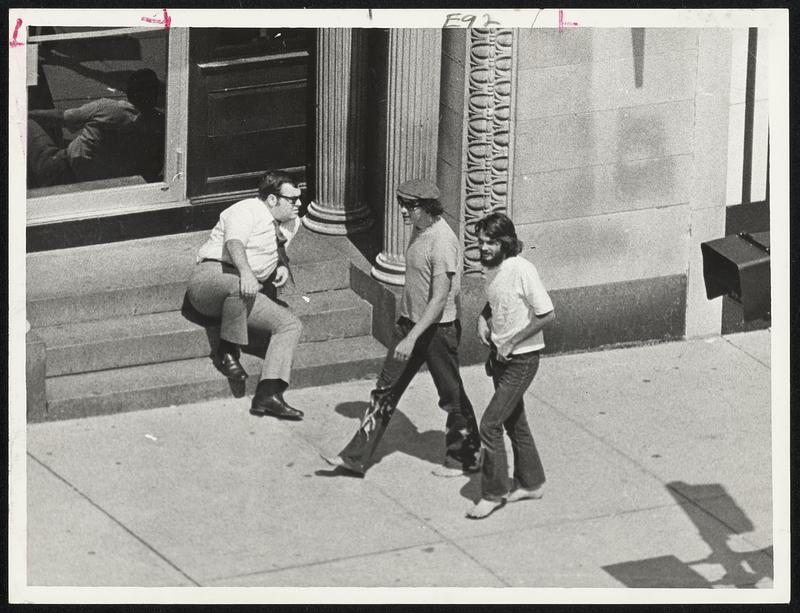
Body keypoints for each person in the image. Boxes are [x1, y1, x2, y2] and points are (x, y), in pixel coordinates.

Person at [323, 178, 480, 476]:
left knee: (451, 395)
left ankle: (466, 458)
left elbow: (439, 299)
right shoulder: (419, 229)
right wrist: (406, 328)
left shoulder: (443, 241)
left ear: (427, 207)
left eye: (409, 206)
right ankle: (355, 458)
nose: (403, 212)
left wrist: (412, 338)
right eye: (402, 205)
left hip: (437, 332)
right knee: (384, 392)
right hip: (409, 324)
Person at [185, 170, 304, 421]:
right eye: (292, 199)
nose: (299, 204)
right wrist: (247, 274)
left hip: (245, 291)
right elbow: (234, 244)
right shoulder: (246, 209)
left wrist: (282, 265)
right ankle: (226, 351)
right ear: (272, 199)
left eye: (299, 198)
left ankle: (269, 395)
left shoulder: (292, 223)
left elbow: (275, 248)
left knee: (290, 324)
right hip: (211, 279)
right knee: (239, 285)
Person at [466, 212, 555, 519]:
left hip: (522, 359)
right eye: (481, 242)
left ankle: (493, 492)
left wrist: (512, 341)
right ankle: (531, 482)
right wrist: (482, 317)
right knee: (514, 421)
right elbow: (498, 300)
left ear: (505, 242)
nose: (484, 248)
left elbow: (547, 314)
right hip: (501, 357)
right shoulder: (490, 268)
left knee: (489, 425)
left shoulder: (522, 269)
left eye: (490, 242)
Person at [27, 68, 164, 187]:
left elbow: (61, 117)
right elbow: (153, 168)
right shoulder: (160, 125)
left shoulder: (109, 108)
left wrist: (28, 113)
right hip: (103, 186)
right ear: (154, 96)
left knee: (29, 124)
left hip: (63, 171)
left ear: (129, 90)